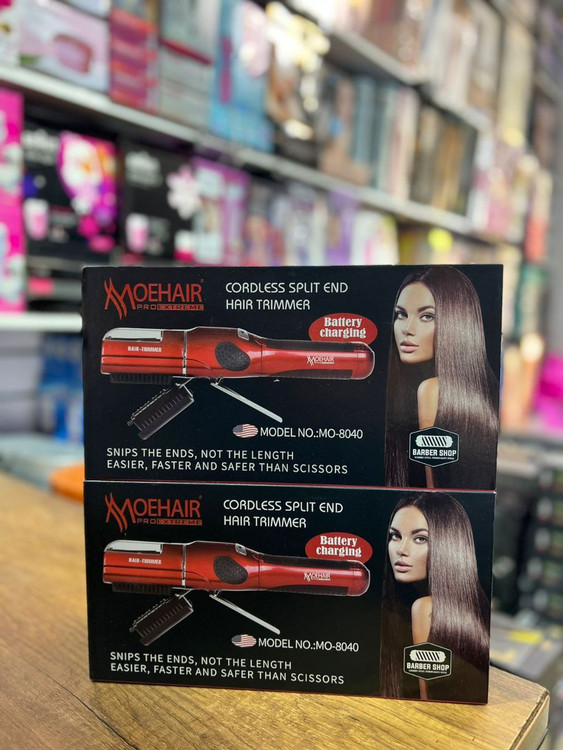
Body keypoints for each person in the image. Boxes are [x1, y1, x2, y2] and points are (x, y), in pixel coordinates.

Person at [384, 266, 499, 490]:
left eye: (427, 316)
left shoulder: (431, 391)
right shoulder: (484, 389)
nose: (407, 329)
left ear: (456, 322)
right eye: (401, 315)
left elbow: (434, 500)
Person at [379, 492, 490, 702]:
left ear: (448, 544)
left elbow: (427, 704)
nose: (401, 549)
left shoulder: (425, 609)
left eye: (420, 539)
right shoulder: (474, 604)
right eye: (395, 536)